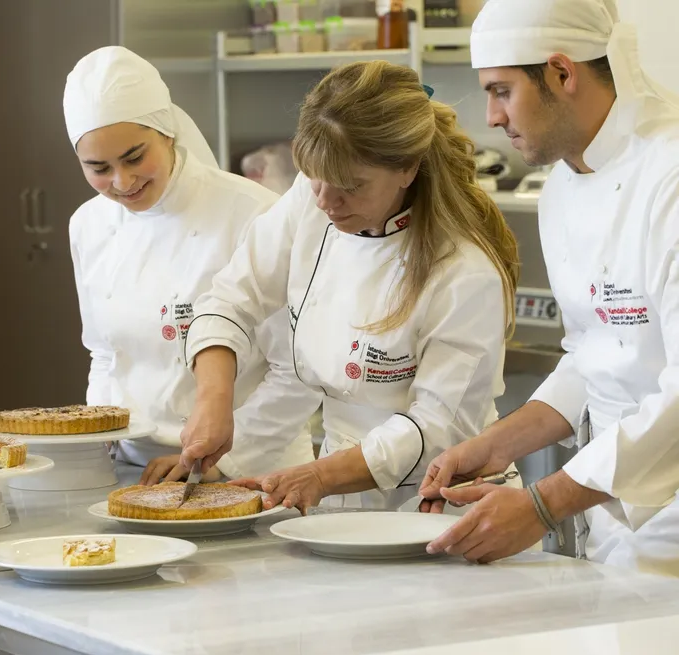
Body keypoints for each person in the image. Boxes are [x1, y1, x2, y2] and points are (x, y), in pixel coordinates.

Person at [179, 60, 520, 513]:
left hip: (439, 502)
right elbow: (231, 300)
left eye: (350, 187)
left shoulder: (463, 272)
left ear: (407, 169)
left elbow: (435, 428)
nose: (325, 202)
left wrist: (321, 475)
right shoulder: (313, 199)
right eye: (314, 178)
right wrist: (213, 402)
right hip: (336, 491)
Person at [420, 0, 679, 575]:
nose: (489, 116)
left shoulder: (671, 176)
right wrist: (498, 444)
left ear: (562, 74)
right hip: (616, 507)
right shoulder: (562, 185)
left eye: (501, 91)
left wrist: (543, 504)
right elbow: (594, 355)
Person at [64, 46, 318, 483]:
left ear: (168, 132)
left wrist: (223, 463)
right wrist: (96, 438)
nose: (122, 182)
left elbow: (298, 370)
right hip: (132, 470)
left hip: (253, 468)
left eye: (134, 157)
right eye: (98, 167)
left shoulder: (252, 213)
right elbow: (104, 354)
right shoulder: (87, 225)